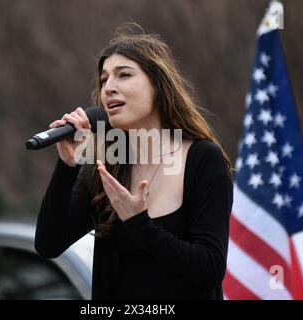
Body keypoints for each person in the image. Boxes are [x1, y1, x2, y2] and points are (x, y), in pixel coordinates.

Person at [34, 24, 233, 300]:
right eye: (104, 80)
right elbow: (48, 244)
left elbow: (210, 267)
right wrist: (68, 164)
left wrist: (139, 224)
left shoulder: (201, 158)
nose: (109, 88)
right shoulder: (107, 163)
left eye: (124, 75)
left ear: (158, 84)